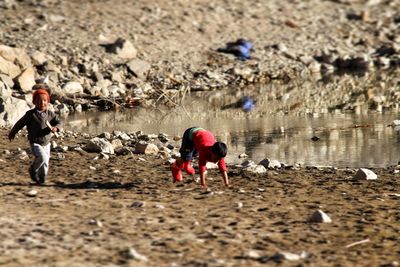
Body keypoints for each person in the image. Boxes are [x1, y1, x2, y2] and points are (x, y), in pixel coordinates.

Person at [8, 84, 62, 184]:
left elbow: (59, 122)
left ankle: (42, 178)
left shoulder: (50, 114)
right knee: (42, 158)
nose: (42, 102)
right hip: (35, 142)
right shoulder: (30, 114)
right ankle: (33, 169)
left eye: (44, 100)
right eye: (39, 100)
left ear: (48, 102)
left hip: (47, 143)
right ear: (34, 102)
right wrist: (13, 132)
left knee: (45, 162)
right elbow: (20, 123)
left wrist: (56, 128)